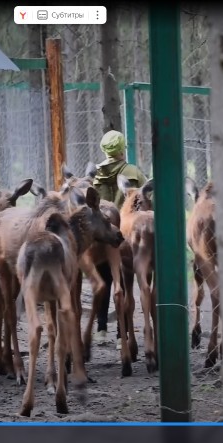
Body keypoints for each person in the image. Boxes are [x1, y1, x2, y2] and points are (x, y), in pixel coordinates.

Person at [91, 130, 148, 346]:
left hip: (102, 235)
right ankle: (121, 332)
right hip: (126, 232)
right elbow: (145, 195)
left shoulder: (96, 175)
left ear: (104, 150)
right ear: (123, 148)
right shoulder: (132, 171)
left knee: (104, 279)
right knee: (123, 281)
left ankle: (101, 327)